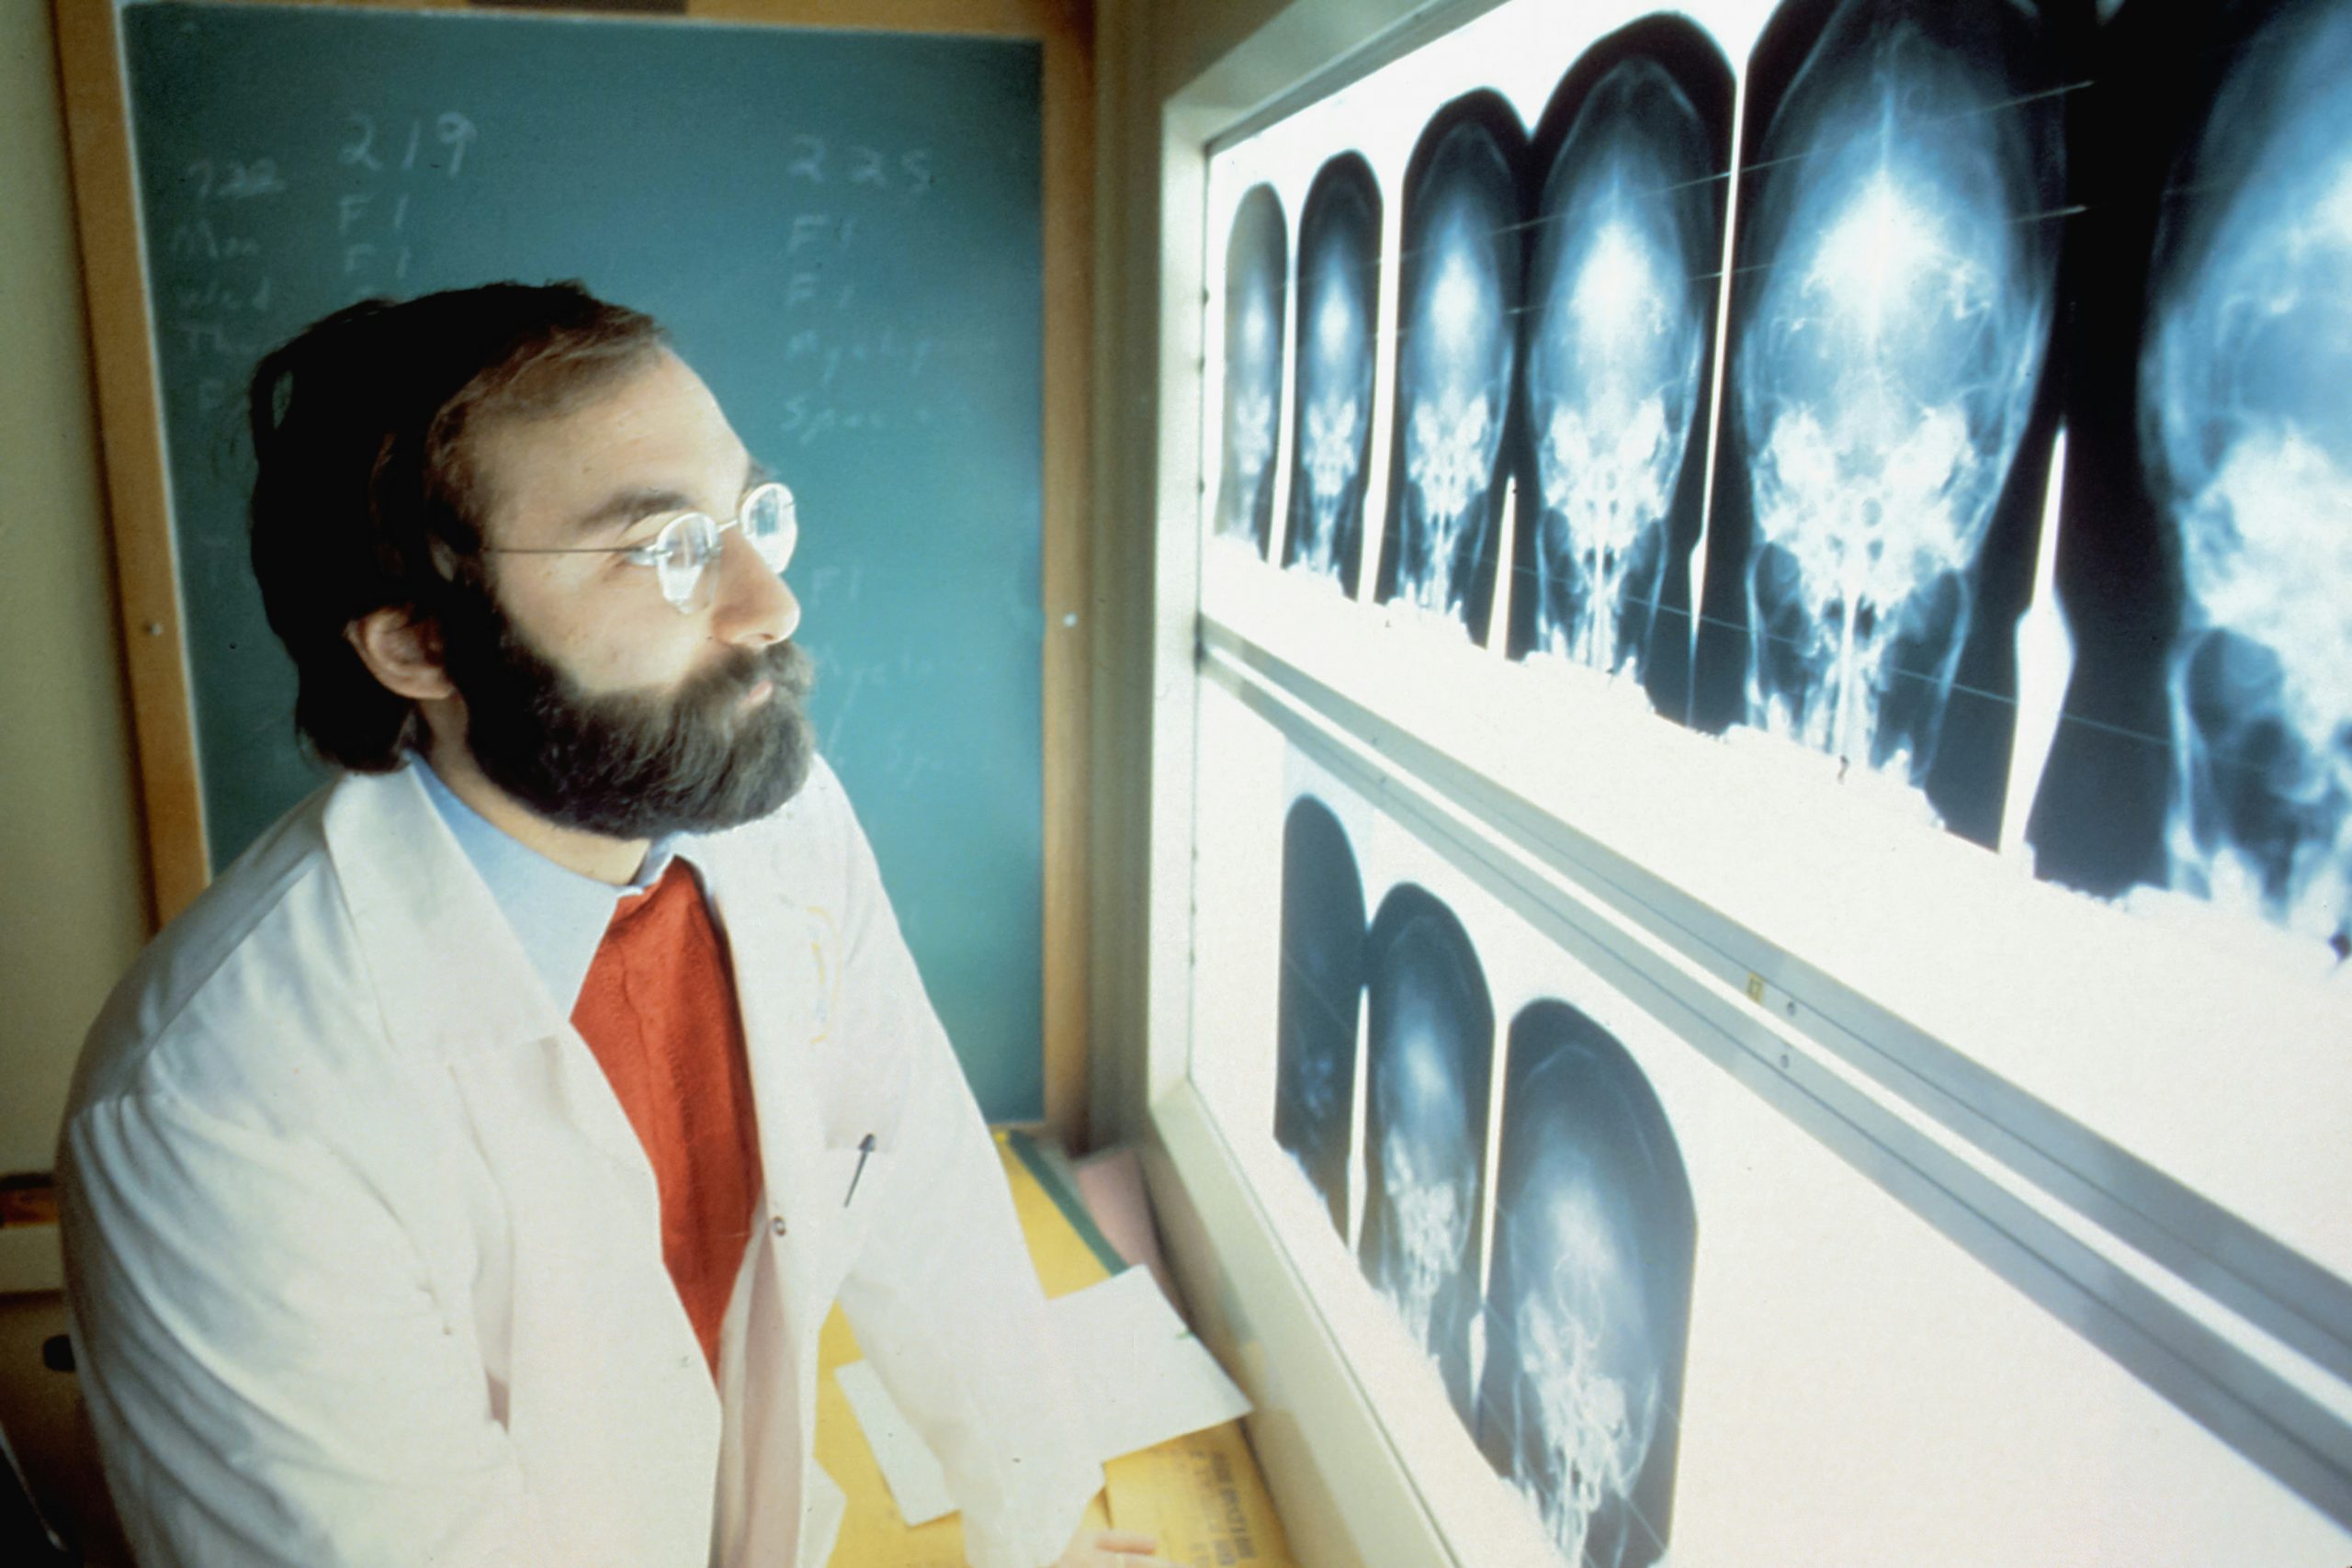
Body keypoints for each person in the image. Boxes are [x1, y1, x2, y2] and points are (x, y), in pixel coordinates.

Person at [58, 282, 1161, 1568]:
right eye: (663, 550)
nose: (770, 605)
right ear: (419, 646)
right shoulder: (221, 1109)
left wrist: (1047, 1526)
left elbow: (915, 1171)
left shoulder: (770, 817)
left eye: (752, 516)